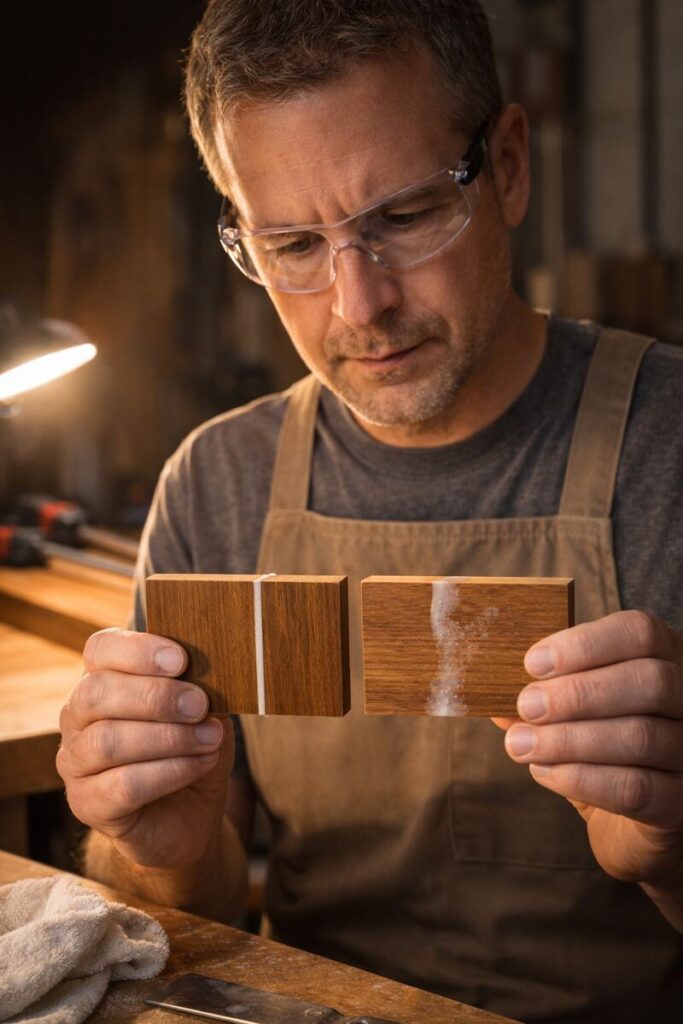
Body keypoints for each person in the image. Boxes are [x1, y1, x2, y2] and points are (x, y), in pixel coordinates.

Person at [57, 2, 683, 1022]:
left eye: (399, 217)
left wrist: (671, 853)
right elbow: (190, 911)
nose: (357, 303)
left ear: (510, 165)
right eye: (292, 243)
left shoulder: (668, 449)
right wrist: (156, 847)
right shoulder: (216, 483)